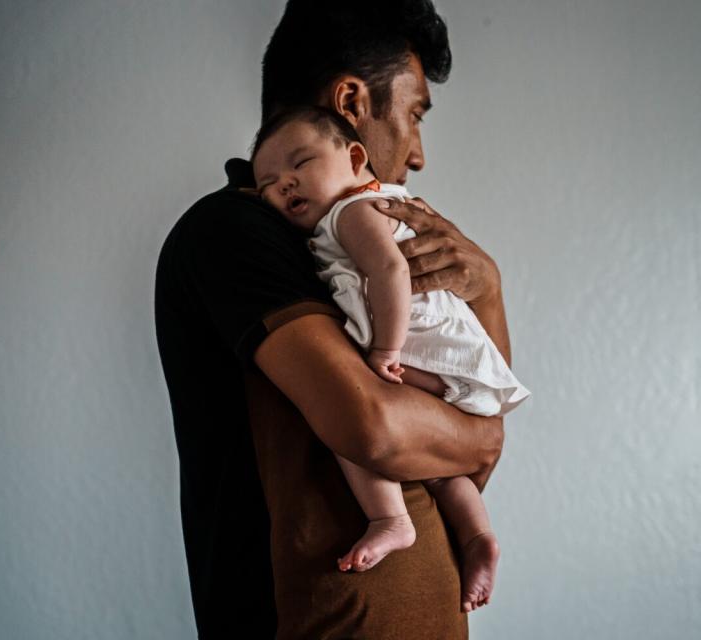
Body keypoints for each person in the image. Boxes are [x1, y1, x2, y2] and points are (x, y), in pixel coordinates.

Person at [155, 1, 509, 637]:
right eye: (414, 113)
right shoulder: (237, 230)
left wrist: (487, 287)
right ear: (351, 101)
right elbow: (376, 428)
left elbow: (477, 450)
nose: (419, 152)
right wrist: (476, 435)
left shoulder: (351, 239)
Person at [250, 105, 530, 610]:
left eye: (300, 165)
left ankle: (390, 518)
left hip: (417, 344)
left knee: (341, 419)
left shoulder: (351, 211)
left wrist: (384, 350)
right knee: (442, 471)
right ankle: (477, 538)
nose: (286, 185)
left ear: (356, 157)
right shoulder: (370, 207)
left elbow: (390, 273)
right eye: (269, 183)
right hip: (446, 359)